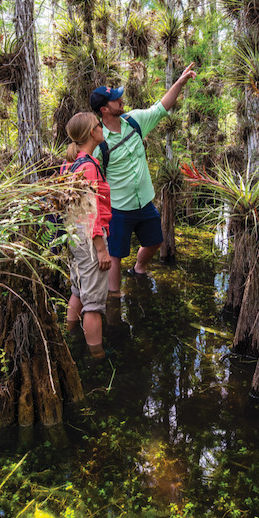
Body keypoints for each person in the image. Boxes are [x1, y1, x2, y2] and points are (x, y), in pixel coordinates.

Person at [90, 62, 197, 297]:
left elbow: (161, 108)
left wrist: (179, 82)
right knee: (115, 255)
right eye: (115, 99)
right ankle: (115, 298)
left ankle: (139, 268)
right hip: (118, 208)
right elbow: (90, 178)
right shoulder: (99, 142)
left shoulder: (135, 121)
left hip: (145, 202)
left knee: (155, 242)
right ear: (104, 110)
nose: (120, 99)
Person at [61, 112, 112, 358]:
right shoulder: (89, 166)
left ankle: (70, 340)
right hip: (89, 237)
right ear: (92, 132)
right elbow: (91, 211)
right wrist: (100, 248)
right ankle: (97, 358)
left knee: (78, 290)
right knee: (93, 303)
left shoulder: (70, 163)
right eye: (99, 125)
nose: (102, 128)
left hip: (73, 233)